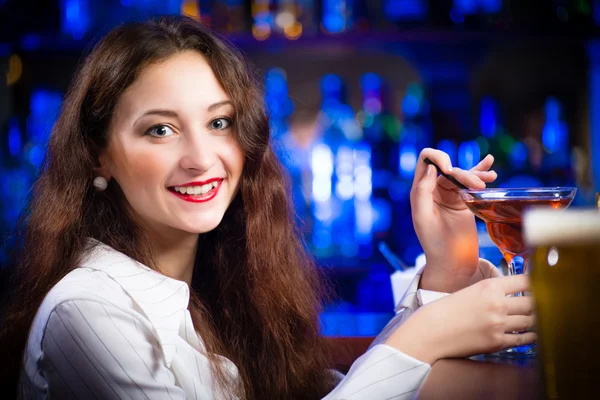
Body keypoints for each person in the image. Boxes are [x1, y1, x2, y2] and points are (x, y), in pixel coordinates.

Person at [0, 16, 535, 400]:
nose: (200, 159)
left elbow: (355, 389)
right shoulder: (87, 312)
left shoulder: (221, 296)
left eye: (218, 123)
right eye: (160, 129)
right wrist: (430, 332)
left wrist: (446, 265)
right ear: (100, 156)